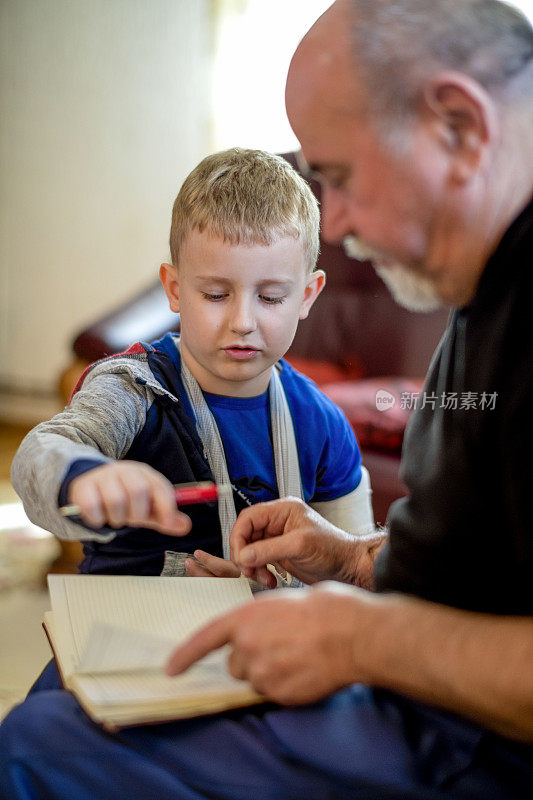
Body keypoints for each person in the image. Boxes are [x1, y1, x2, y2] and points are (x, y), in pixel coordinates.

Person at [1, 1, 533, 798]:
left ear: (458, 126)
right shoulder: (480, 295)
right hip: (396, 679)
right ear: (175, 290)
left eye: (341, 179)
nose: (340, 222)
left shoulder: (320, 410)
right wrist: (354, 558)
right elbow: (483, 557)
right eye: (214, 293)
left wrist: (362, 638)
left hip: (455, 731)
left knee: (33, 746)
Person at [10, 146, 373, 582]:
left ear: (307, 296)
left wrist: (271, 592)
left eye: (271, 297)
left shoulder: (324, 423)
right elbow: (38, 454)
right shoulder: (132, 390)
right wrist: (83, 476)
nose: (242, 323)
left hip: (260, 645)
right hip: (128, 639)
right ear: (175, 289)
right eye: (216, 295)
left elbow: (356, 575)